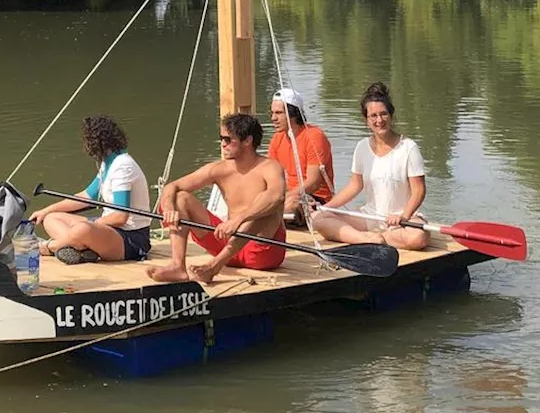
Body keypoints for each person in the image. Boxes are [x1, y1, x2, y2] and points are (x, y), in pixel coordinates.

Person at [147, 112, 287, 284]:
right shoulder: (219, 169)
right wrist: (168, 208)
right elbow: (172, 186)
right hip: (227, 245)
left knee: (268, 207)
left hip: (261, 253)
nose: (222, 144)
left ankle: (214, 267)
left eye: (228, 140)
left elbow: (277, 196)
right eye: (221, 139)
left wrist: (238, 220)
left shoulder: (269, 167)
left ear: (247, 141)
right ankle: (178, 266)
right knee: (180, 198)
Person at [310, 82, 430, 250]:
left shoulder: (409, 148)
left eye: (383, 114)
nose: (379, 120)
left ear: (391, 115)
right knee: (319, 219)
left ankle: (376, 238)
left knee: (418, 238)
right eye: (373, 116)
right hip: (370, 218)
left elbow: (419, 191)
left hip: (403, 219)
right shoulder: (362, 147)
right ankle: (367, 239)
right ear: (366, 120)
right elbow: (354, 186)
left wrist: (403, 215)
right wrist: (325, 207)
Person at [29, 115, 152, 264]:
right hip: (108, 230)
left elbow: (121, 217)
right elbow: (85, 197)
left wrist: (93, 225)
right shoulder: (108, 164)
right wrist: (46, 211)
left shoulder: (122, 167)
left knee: (82, 230)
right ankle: (81, 249)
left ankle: (47, 247)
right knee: (52, 218)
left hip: (131, 239)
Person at [267, 88, 334, 226]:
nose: (273, 118)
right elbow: (270, 177)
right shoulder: (277, 139)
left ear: (294, 114)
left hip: (316, 198)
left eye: (279, 113)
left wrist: (285, 198)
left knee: (288, 206)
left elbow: (313, 182)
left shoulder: (314, 136)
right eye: (272, 113)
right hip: (287, 196)